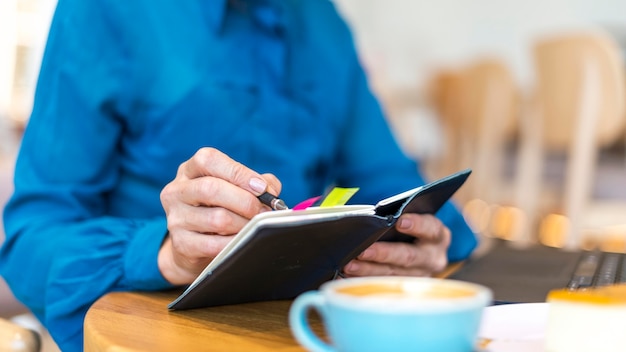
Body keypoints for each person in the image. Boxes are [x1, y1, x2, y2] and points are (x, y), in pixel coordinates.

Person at [0, 0, 478, 350]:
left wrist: (423, 241)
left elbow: (394, 183)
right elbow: (31, 238)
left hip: (313, 331)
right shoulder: (103, 12)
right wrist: (166, 253)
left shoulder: (325, 23)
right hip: (152, 332)